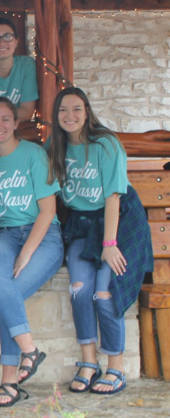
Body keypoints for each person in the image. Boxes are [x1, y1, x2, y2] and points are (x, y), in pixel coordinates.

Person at [48, 87, 152, 395]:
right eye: (63, 110)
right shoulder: (54, 146)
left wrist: (109, 245)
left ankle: (116, 368)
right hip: (82, 225)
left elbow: (113, 197)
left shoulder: (106, 144)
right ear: (56, 115)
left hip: (119, 222)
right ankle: (89, 363)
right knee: (80, 291)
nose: (70, 115)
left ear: (87, 111)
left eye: (77, 109)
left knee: (105, 292)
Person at [0, 97, 63, 407]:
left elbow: (48, 211)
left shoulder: (34, 155)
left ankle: (8, 382)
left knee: (5, 294)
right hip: (6, 235)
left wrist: (26, 252)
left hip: (43, 235)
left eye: (4, 119)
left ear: (15, 123)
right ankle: (30, 350)